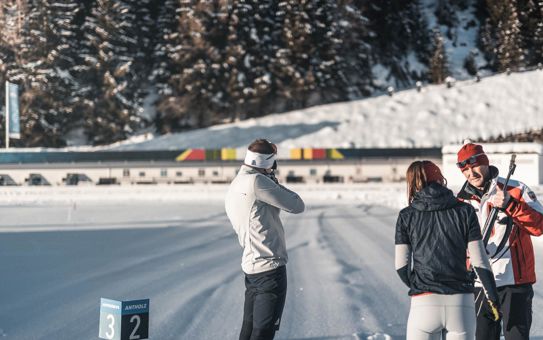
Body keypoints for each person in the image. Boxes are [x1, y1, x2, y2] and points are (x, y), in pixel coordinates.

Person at [395, 160, 500, 340]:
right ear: (440, 178)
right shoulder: (465, 211)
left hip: (424, 304)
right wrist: (493, 298)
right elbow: (480, 261)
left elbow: (401, 266)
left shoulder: (407, 215)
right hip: (461, 303)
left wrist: (421, 284)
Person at [456, 142, 543, 340]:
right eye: (465, 169)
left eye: (475, 166)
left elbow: (539, 226)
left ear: (485, 163)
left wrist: (511, 205)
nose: (471, 173)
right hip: (479, 284)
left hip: (514, 283)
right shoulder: (460, 202)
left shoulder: (515, 190)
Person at [225, 139, 305, 340]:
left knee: (249, 329)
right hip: (270, 269)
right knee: (263, 333)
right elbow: (297, 205)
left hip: (252, 268)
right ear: (268, 163)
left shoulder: (237, 182)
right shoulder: (258, 182)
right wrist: (274, 182)